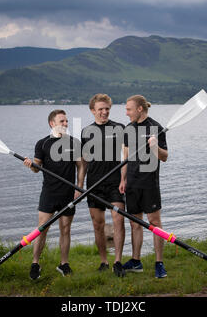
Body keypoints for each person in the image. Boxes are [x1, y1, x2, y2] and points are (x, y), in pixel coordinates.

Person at [24, 109, 85, 280]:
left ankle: (63, 264)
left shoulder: (74, 143)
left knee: (65, 229)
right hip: (49, 193)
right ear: (52, 123)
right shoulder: (42, 144)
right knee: (41, 230)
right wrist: (30, 165)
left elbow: (81, 166)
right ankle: (35, 263)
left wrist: (79, 187)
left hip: (68, 194)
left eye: (66, 121)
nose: (66, 124)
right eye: (62, 121)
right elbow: (37, 168)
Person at [119, 95, 169, 278]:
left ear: (140, 109)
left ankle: (159, 263)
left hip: (149, 184)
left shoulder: (156, 128)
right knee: (135, 224)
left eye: (129, 109)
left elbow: (164, 157)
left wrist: (155, 147)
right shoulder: (128, 129)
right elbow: (125, 158)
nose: (126, 113)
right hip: (131, 183)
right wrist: (122, 180)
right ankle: (136, 261)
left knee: (155, 223)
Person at [80, 94, 126, 277]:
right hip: (94, 184)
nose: (104, 112)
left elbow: (127, 157)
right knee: (98, 225)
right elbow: (84, 161)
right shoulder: (86, 132)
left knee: (118, 221)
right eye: (100, 109)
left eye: (107, 108)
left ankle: (118, 262)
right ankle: (104, 261)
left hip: (115, 182)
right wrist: (80, 184)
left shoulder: (120, 128)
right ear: (93, 111)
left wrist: (124, 179)